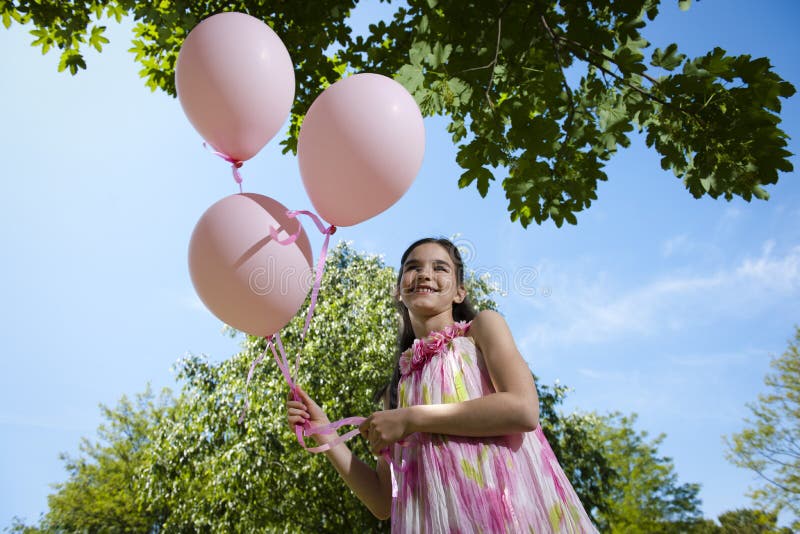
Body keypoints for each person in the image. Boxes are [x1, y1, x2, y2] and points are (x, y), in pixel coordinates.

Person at [287, 237, 598, 532]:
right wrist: (327, 433)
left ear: (459, 292)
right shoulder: (396, 390)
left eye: (440, 267)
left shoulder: (481, 329)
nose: (425, 274)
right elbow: (383, 502)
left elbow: (523, 409)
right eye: (412, 267)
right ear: (398, 291)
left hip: (511, 515)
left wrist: (412, 419)